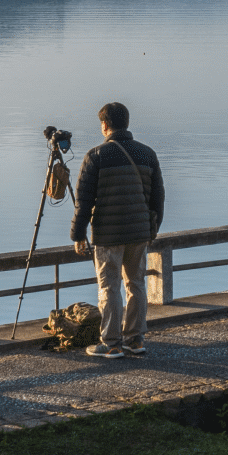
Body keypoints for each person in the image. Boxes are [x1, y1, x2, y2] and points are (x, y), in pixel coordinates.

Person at [71, 101, 163, 358]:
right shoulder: (147, 154)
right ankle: (135, 340)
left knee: (109, 287)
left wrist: (77, 234)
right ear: (127, 123)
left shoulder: (95, 156)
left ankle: (111, 343)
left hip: (108, 235)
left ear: (104, 125)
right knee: (136, 284)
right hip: (139, 233)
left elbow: (83, 202)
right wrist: (151, 230)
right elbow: (158, 199)